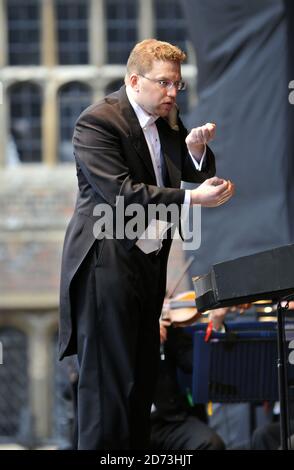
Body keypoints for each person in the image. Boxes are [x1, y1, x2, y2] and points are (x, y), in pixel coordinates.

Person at [58, 38, 235, 450]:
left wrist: (194, 150)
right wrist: (193, 199)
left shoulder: (166, 117)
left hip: (146, 264)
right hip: (105, 264)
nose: (173, 93)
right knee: (108, 393)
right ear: (135, 80)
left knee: (139, 386)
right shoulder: (97, 121)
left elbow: (189, 168)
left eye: (178, 85)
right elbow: (122, 194)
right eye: (165, 84)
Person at [150, 318, 225, 450]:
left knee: (210, 444)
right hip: (125, 420)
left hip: (168, 419)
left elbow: (196, 361)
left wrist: (216, 324)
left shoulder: (166, 324)